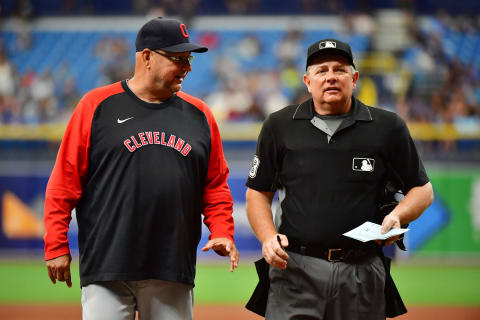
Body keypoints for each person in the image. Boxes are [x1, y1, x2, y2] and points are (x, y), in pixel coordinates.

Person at [43, 17, 239, 320]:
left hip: (171, 266)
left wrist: (223, 230)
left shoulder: (200, 115)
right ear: (147, 57)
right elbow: (64, 182)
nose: (187, 67)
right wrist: (56, 245)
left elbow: (215, 186)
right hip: (107, 265)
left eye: (189, 59)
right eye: (178, 58)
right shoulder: (96, 106)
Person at [245, 38, 434, 320]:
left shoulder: (387, 127)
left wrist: (398, 215)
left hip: (361, 270)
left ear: (354, 77)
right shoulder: (279, 125)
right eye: (321, 70)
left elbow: (423, 190)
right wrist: (268, 237)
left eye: (340, 69)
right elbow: (257, 192)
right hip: (295, 269)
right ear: (307, 80)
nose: (331, 76)